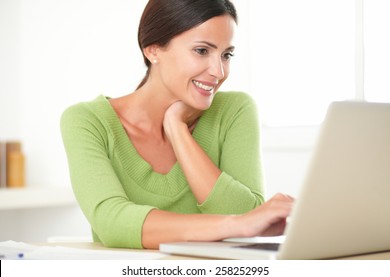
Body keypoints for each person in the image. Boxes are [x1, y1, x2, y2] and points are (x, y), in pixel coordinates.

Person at [60, 0, 293, 250]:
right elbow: (112, 222)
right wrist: (235, 224)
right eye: (202, 50)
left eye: (226, 55)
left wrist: (177, 129)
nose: (219, 71)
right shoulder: (87, 121)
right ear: (153, 50)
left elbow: (250, 218)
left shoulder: (235, 110)